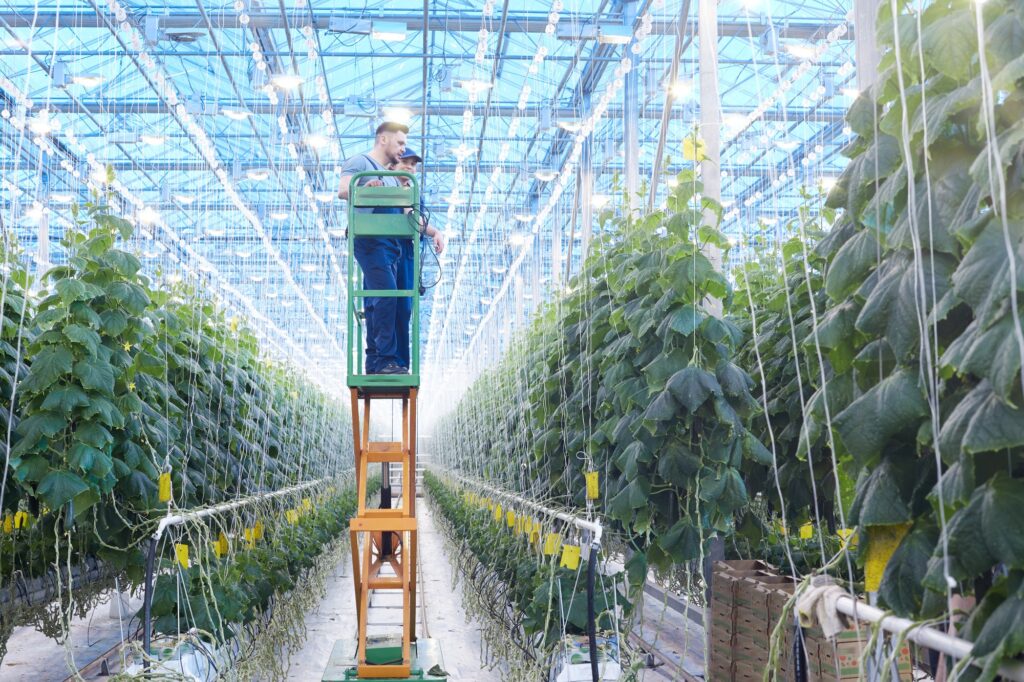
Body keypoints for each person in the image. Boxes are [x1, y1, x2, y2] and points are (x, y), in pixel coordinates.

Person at [338, 121, 409, 375]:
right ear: (383, 140)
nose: (403, 149)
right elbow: (343, 190)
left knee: (377, 300)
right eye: (400, 142)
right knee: (387, 295)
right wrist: (363, 188)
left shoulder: (392, 178)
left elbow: (406, 213)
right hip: (370, 240)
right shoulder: (360, 163)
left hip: (391, 245)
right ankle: (384, 360)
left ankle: (373, 360)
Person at [389, 149, 445, 371]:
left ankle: (401, 363)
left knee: (404, 307)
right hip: (385, 251)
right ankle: (381, 361)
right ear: (393, 164)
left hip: (406, 253)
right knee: (382, 306)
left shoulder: (414, 193)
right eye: (405, 162)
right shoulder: (382, 186)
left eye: (413, 165)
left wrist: (435, 232)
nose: (410, 168)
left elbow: (417, 220)